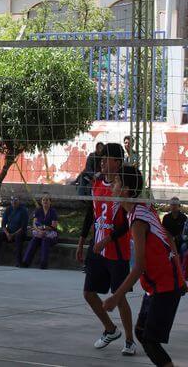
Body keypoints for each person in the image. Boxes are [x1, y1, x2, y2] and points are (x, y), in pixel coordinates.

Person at [103, 166, 186, 367]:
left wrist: (116, 297)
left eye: (115, 182)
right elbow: (168, 239)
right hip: (157, 285)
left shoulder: (138, 221)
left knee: (149, 339)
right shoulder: (141, 209)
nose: (111, 186)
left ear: (126, 189)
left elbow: (138, 267)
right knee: (142, 333)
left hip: (165, 286)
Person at [77, 142, 136, 356]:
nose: (101, 161)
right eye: (101, 158)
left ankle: (130, 341)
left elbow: (129, 221)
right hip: (97, 247)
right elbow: (91, 213)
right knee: (88, 293)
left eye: (106, 158)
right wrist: (83, 240)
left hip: (117, 251)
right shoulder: (97, 183)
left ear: (117, 162)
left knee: (119, 297)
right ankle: (110, 329)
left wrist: (108, 239)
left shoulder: (123, 186)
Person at [22, 193, 59, 269]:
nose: (45, 201)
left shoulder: (53, 211)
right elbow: (34, 224)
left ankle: (43, 264)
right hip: (40, 233)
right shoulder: (38, 210)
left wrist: (44, 228)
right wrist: (39, 231)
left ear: (50, 202)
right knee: (34, 240)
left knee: (45, 241)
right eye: (43, 200)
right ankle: (26, 262)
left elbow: (54, 226)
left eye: (47, 200)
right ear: (41, 201)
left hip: (51, 235)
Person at [0, 195, 29, 266]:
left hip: (19, 232)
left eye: (16, 201)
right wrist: (7, 233)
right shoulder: (8, 209)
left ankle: (18, 261)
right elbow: (3, 224)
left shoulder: (23, 211)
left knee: (18, 237)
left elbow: (23, 227)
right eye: (13, 201)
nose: (14, 202)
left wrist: (12, 234)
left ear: (19, 201)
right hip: (9, 232)